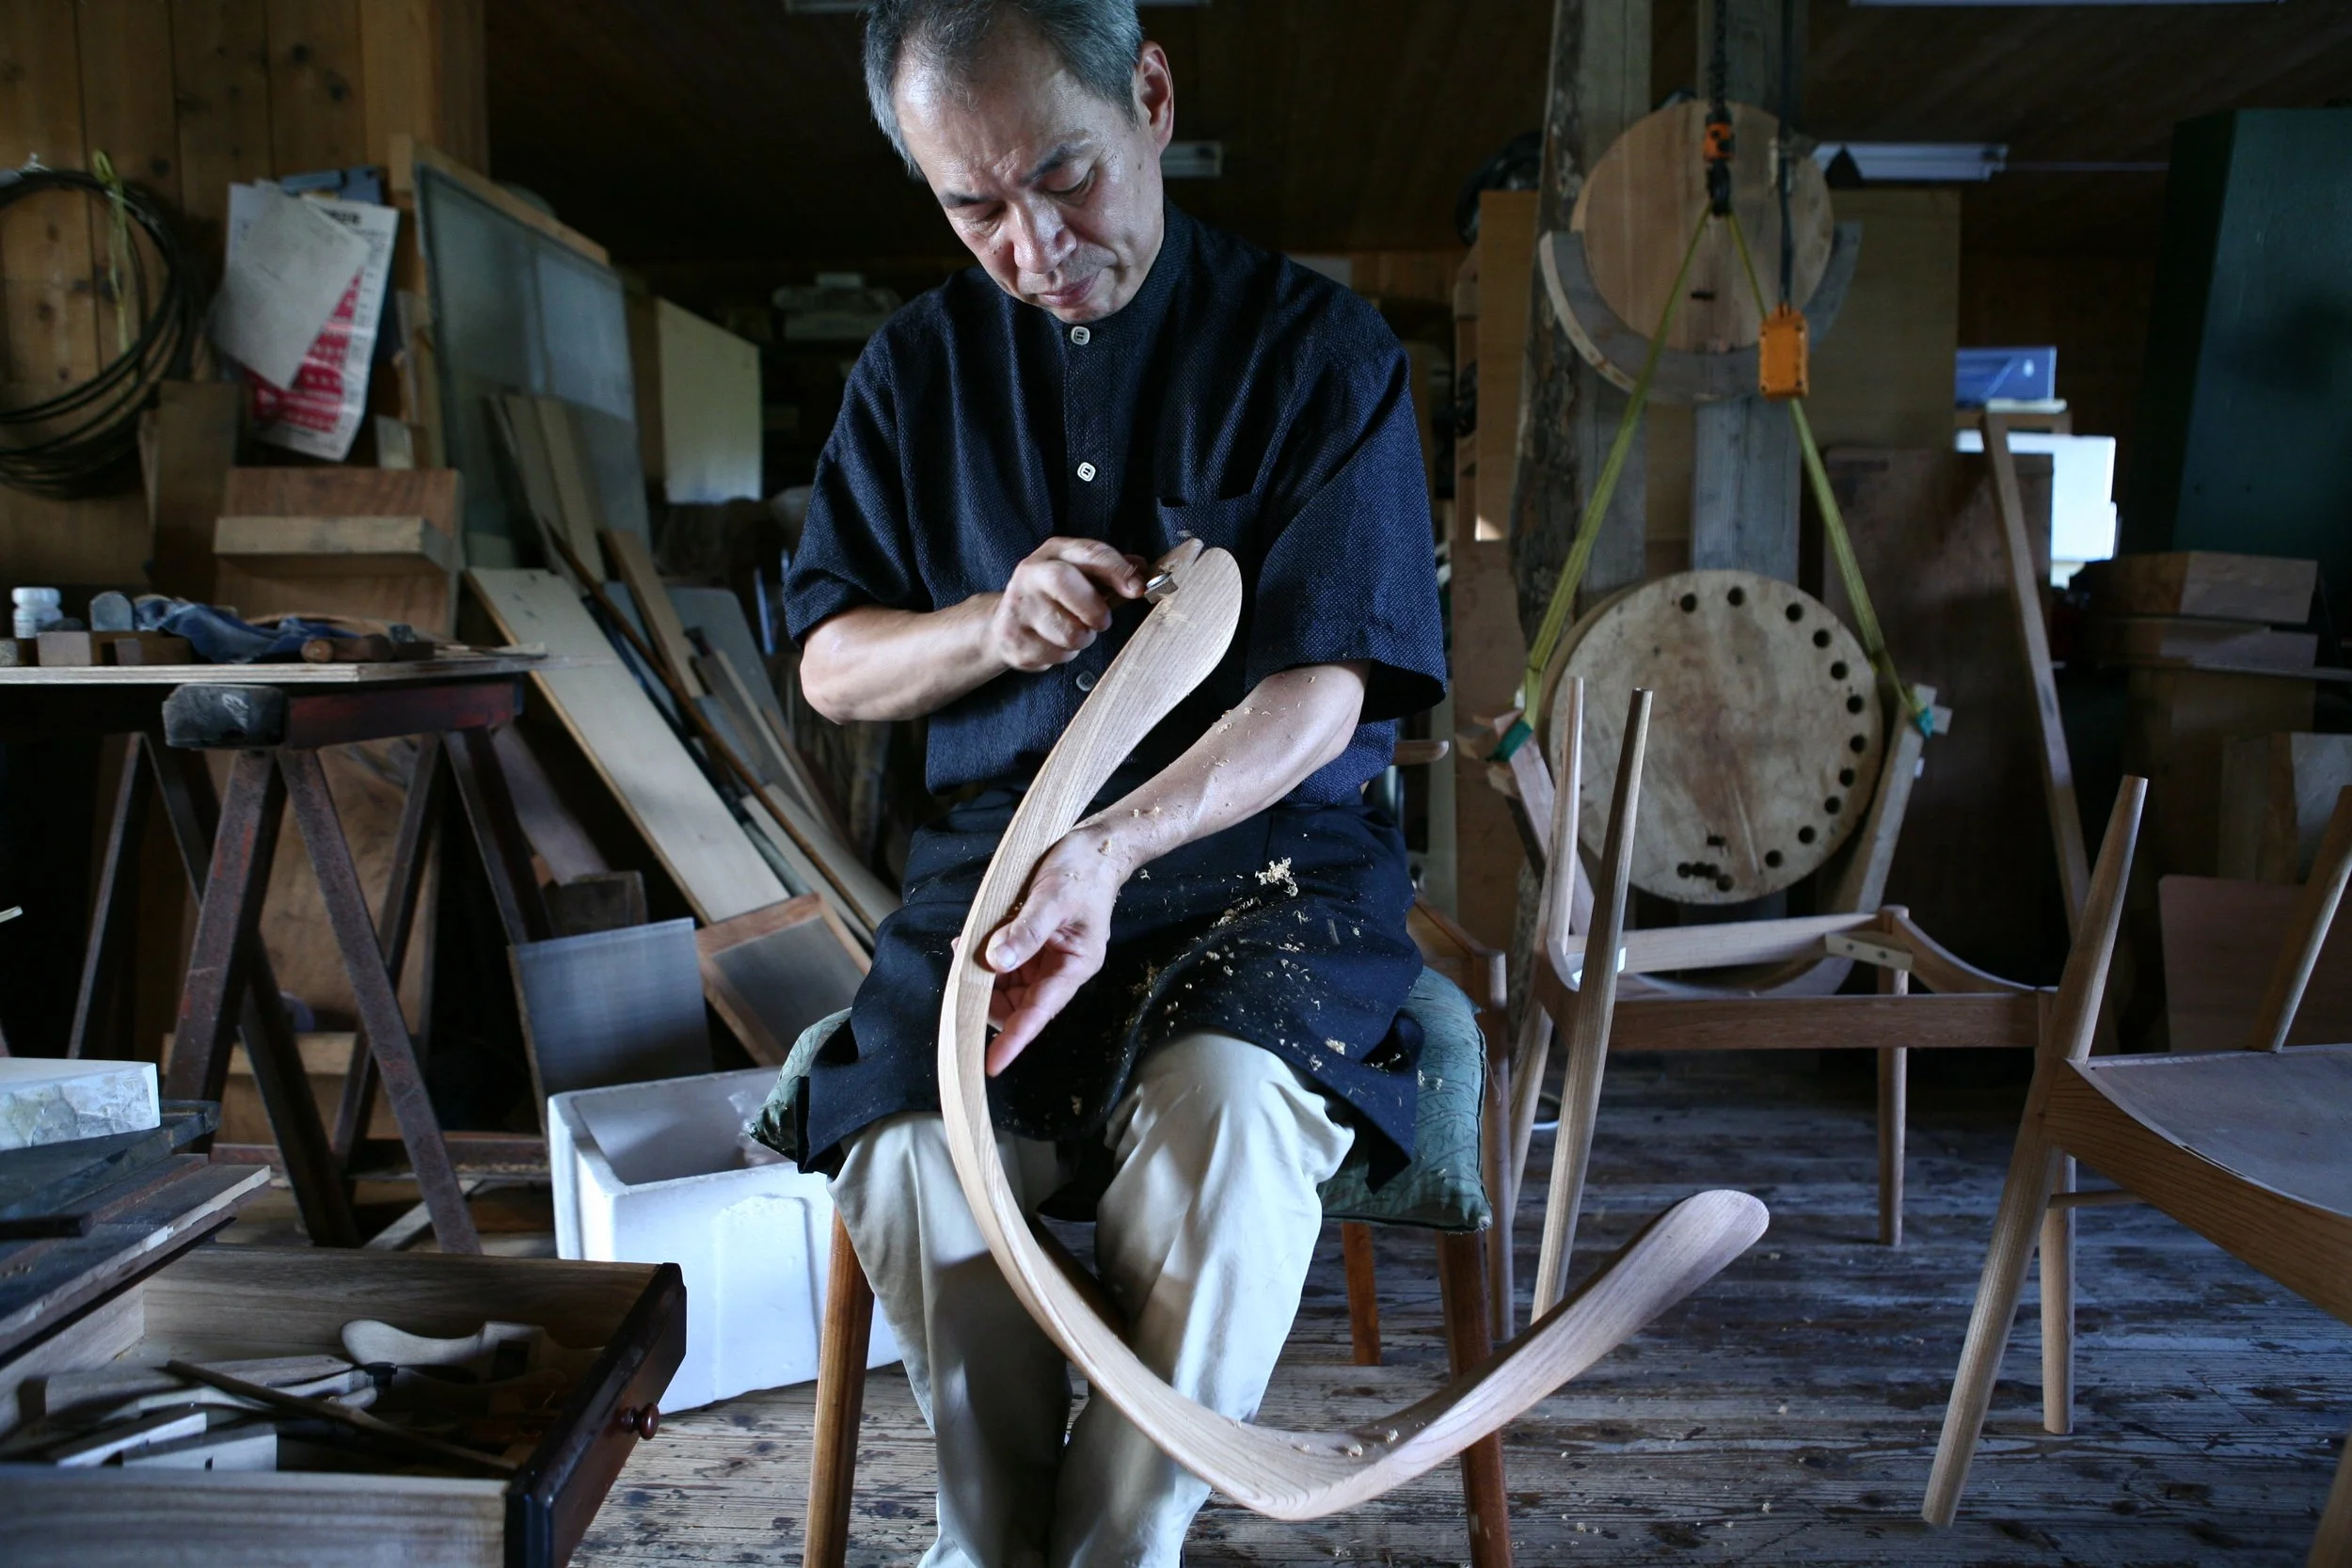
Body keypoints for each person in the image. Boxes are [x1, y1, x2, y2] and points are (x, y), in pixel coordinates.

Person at [777, 2, 1445, 1561]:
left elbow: (1325, 691)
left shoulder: (1318, 350)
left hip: (1267, 864)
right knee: (911, 1146)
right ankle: (995, 1533)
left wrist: (1119, 844)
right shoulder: (914, 371)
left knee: (1224, 1119)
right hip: (996, 872)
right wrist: (985, 624)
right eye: (973, 206)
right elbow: (828, 664)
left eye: (1064, 176)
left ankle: (1107, 1549)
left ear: (1149, 96)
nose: (1033, 245)